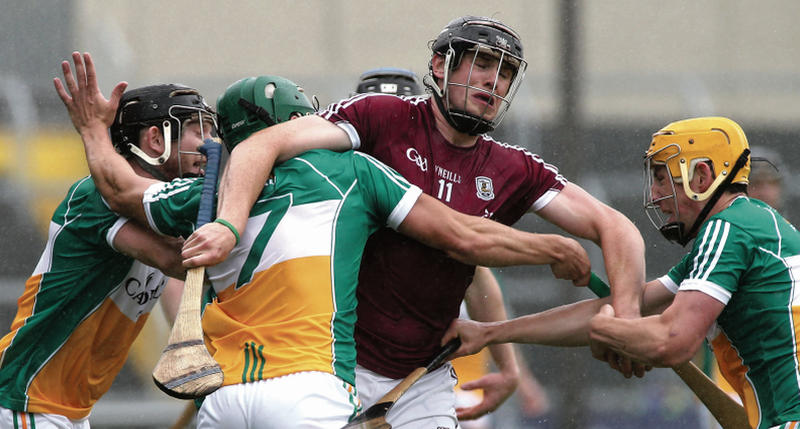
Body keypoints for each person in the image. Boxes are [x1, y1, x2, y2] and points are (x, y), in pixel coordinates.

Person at [57, 53, 591, 428]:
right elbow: (468, 247)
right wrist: (550, 250)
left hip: (233, 390)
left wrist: (92, 133)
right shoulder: (355, 172)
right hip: (317, 382)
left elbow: (129, 199)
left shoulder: (209, 188)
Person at [187, 16, 646, 428]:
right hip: (333, 362)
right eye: (483, 63)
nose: (495, 81)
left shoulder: (514, 169)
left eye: (505, 72)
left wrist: (626, 322)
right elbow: (261, 145)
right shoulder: (379, 119)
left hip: (423, 375)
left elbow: (616, 228)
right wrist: (228, 226)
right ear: (441, 66)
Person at [445, 117, 800, 428]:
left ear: (702, 174)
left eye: (662, 178)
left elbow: (672, 341)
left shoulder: (729, 230)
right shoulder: (745, 228)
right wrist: (492, 332)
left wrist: (608, 328)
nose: (656, 194)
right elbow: (632, 305)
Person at [0, 52, 214, 428]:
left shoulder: (166, 208)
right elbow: (174, 260)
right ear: (154, 138)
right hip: (24, 400)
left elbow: (178, 289)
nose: (210, 146)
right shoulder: (97, 196)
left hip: (67, 408)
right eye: (199, 131)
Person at [353, 67, 551, 428]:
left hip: (428, 375)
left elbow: (479, 281)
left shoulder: (440, 189)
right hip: (340, 362)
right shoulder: (345, 181)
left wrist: (510, 368)